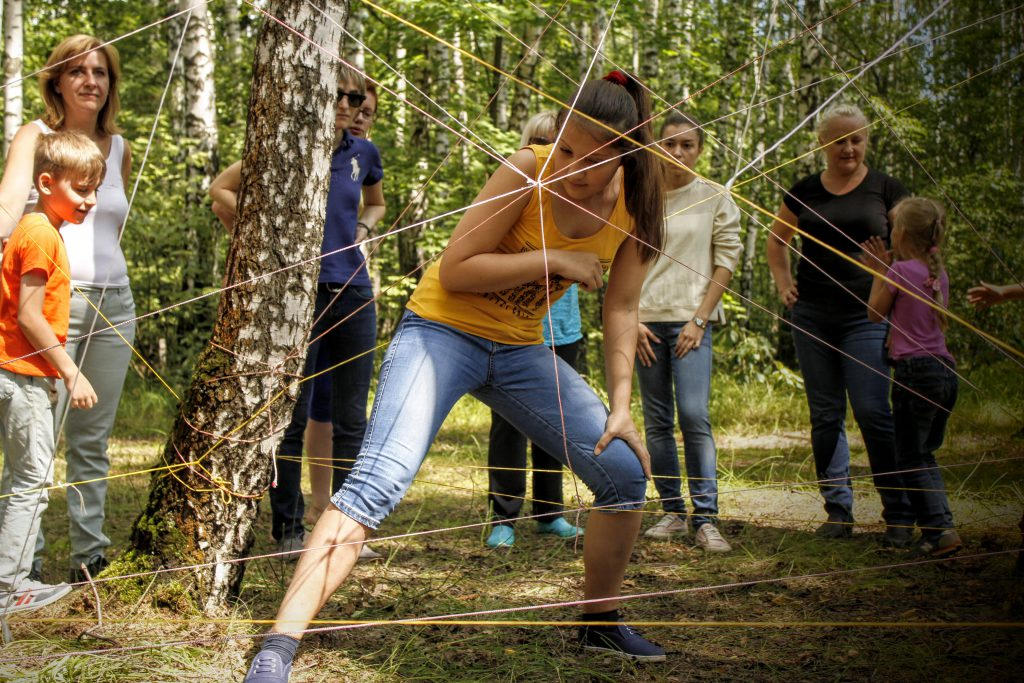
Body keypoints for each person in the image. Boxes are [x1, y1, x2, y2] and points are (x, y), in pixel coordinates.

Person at [243, 71, 667, 682]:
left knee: (625, 473)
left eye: (589, 156)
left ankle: (599, 622)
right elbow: (458, 269)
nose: (567, 164)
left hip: (521, 351)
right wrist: (554, 259)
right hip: (441, 334)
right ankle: (279, 647)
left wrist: (622, 407)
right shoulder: (528, 168)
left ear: (623, 153)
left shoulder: (637, 204)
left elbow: (622, 309)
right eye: (564, 146)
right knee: (376, 482)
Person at [210, 66, 386, 562]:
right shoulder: (286, 146)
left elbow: (374, 202)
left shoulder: (363, 153)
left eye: (355, 99)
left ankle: (345, 530)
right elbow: (220, 190)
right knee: (292, 414)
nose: (348, 107)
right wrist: (251, 236)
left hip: (352, 290)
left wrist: (366, 230)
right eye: (339, 96)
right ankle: (288, 529)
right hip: (296, 295)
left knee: (352, 417)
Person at [0, 35, 134, 583]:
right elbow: (10, 204)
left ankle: (89, 558)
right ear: (56, 79)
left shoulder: (117, 146)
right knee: (36, 442)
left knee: (92, 439)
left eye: (101, 72)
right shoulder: (36, 135)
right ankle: (22, 570)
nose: (91, 81)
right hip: (52, 304)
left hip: (115, 302)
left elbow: (113, 222)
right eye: (77, 71)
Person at [766, 102, 915, 543]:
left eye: (856, 139)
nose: (848, 148)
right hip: (812, 315)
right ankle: (838, 512)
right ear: (822, 144)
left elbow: (911, 252)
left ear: (867, 140)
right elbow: (777, 241)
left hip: (866, 316)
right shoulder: (804, 190)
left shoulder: (887, 190)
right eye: (838, 141)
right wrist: (783, 281)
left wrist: (886, 270)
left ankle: (900, 513)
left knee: (873, 412)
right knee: (826, 414)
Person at [0, 131, 103, 614]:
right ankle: (12, 585)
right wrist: (70, 372)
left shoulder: (35, 228)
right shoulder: (41, 234)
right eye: (81, 189)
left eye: (95, 190)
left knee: (20, 478)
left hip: (16, 372)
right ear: (46, 182)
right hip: (23, 377)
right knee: (30, 483)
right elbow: (29, 315)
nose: (90, 200)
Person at [636, 112, 741, 552]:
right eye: (668, 144)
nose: (676, 153)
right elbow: (619, 259)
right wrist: (630, 318)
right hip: (642, 322)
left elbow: (726, 260)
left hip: (690, 323)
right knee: (657, 422)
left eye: (687, 145)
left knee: (694, 417)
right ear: (656, 147)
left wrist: (699, 319)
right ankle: (672, 513)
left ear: (699, 150)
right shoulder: (638, 200)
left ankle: (706, 518)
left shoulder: (715, 197)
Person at [485, 110, 584, 548]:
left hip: (564, 330)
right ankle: (504, 517)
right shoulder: (515, 190)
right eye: (541, 140)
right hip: (512, 329)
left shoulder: (580, 198)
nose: (550, 149)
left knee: (555, 423)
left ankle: (549, 513)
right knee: (508, 424)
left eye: (558, 141)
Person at [861, 197, 962, 558]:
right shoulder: (938, 273)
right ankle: (942, 528)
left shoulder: (900, 272)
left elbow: (874, 313)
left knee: (911, 457)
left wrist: (877, 270)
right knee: (925, 453)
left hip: (915, 373)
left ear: (901, 232)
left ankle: (937, 531)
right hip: (945, 372)